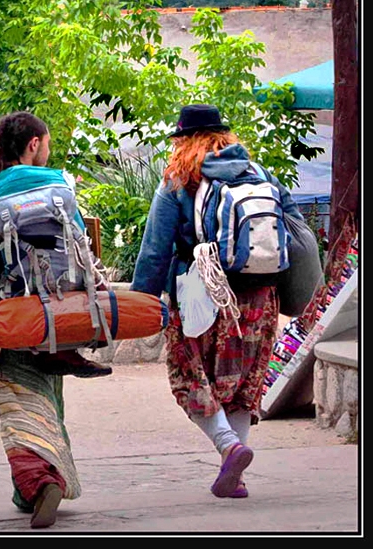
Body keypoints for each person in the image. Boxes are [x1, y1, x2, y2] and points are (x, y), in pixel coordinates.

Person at [0, 111, 109, 530]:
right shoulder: (59, 187)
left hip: (7, 318)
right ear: (33, 145)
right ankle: (38, 482)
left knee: (16, 400)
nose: (47, 152)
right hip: (58, 314)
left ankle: (37, 482)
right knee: (50, 393)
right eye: (45, 144)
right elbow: (82, 250)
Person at [130, 104, 304, 500]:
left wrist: (142, 302)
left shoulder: (178, 180)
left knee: (189, 378)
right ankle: (235, 477)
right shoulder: (261, 175)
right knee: (242, 384)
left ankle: (229, 446)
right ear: (226, 136)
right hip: (260, 299)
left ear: (182, 141)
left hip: (201, 295)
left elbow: (155, 249)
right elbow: (296, 234)